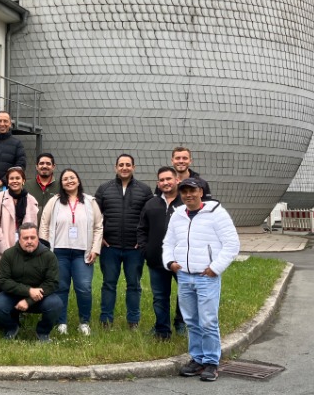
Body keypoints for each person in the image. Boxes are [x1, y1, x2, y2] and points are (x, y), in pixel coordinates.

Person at [163, 177, 240, 382]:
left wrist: (215, 268)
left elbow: (232, 244)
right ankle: (197, 359)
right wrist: (170, 261)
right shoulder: (178, 215)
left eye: (192, 191)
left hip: (206, 277)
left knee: (208, 320)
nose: (188, 195)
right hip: (185, 276)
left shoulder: (217, 214)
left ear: (201, 192)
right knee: (191, 320)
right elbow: (168, 242)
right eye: (184, 191)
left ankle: (211, 362)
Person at [39, 168, 103, 337]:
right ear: (61, 183)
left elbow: (98, 227)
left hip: (83, 252)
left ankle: (84, 322)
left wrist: (95, 249)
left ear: (78, 180)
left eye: (72, 178)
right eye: (65, 179)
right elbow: (44, 225)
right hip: (58, 252)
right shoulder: (54, 201)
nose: (69, 181)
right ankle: (61, 322)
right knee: (61, 288)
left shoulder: (90, 201)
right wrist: (45, 249)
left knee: (84, 288)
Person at [94, 153, 153, 329]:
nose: (124, 168)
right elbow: (95, 217)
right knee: (108, 284)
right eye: (121, 165)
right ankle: (106, 320)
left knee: (134, 285)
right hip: (109, 247)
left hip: (134, 248)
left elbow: (148, 218)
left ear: (133, 167)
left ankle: (133, 321)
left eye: (128, 165)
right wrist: (100, 238)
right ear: (116, 167)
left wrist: (142, 241)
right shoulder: (104, 189)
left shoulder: (144, 190)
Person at [0, 223, 63, 342]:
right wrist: (28, 291)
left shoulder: (49, 256)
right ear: (19, 238)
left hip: (40, 297)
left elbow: (52, 283)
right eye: (25, 238)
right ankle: (12, 328)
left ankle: (43, 332)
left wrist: (29, 301)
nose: (29, 241)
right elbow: (3, 280)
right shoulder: (9, 254)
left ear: (37, 238)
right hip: (13, 295)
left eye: (32, 238)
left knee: (56, 304)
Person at [137, 167, 186, 339]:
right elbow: (142, 229)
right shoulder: (151, 204)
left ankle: (181, 323)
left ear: (177, 180)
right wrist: (145, 250)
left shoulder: (186, 202)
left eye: (168, 179)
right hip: (157, 261)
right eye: (162, 180)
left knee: (185, 294)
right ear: (158, 183)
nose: (165, 183)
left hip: (182, 262)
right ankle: (162, 329)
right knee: (159, 297)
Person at [0, 166, 39, 275]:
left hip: (25, 245)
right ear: (7, 182)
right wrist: (1, 243)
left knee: (22, 278)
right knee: (2, 278)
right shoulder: (0, 197)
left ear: (23, 181)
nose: (14, 181)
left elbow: (34, 226)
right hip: (3, 244)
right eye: (11, 179)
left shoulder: (31, 200)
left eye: (18, 178)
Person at [25, 153, 57, 224]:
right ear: (36, 166)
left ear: (53, 166)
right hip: (31, 230)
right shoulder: (26, 186)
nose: (44, 166)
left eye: (48, 164)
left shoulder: (60, 186)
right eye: (41, 163)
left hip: (53, 230)